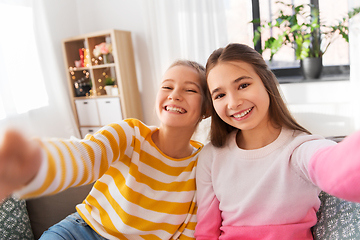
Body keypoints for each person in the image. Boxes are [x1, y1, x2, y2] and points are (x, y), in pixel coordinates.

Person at [0, 59, 210, 240]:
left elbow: (189, 229)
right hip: (81, 231)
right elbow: (86, 156)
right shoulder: (131, 133)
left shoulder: (203, 163)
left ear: (206, 109)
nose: (174, 95)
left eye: (190, 89)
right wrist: (36, 163)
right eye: (167, 87)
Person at [195, 43, 360, 240]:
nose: (233, 102)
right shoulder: (211, 156)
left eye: (243, 85)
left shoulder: (299, 149)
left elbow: (336, 166)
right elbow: (206, 233)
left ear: (266, 82)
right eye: (220, 95)